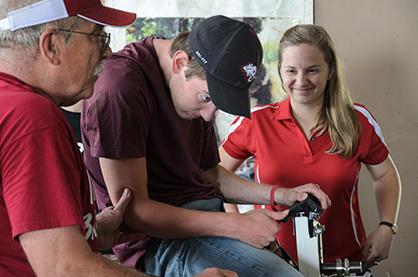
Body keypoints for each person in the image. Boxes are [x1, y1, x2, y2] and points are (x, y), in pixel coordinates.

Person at [82, 15, 331, 277]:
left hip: (209, 220)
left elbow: (209, 174)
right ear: (180, 63)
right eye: (207, 98)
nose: (209, 115)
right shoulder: (119, 87)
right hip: (160, 243)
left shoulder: (196, 95)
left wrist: (279, 195)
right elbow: (134, 212)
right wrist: (234, 225)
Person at [0, 1, 235, 277]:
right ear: (52, 45)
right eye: (98, 37)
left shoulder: (9, 104)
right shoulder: (31, 117)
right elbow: (65, 269)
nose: (108, 51)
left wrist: (90, 230)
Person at [219, 24, 401, 274]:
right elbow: (214, 177)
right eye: (291, 70)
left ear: (330, 71)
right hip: (270, 265)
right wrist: (236, 224)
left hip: (345, 264)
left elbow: (385, 175)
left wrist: (386, 226)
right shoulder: (255, 121)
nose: (301, 81)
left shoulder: (358, 119)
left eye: (312, 70)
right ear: (281, 72)